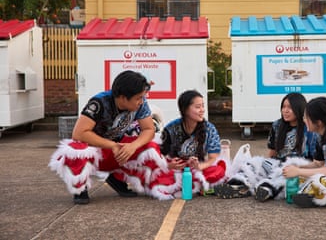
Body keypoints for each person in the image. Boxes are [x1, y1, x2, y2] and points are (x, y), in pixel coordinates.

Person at [49, 70, 167, 204]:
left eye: (142, 97)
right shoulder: (99, 102)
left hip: (118, 149)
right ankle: (80, 187)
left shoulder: (141, 103)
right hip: (96, 151)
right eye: (138, 98)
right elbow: (79, 133)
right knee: (75, 148)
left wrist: (133, 146)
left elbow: (149, 129)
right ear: (123, 97)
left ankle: (118, 178)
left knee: (150, 146)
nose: (141, 101)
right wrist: (112, 145)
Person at [214, 92, 322, 202]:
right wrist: (263, 168)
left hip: (299, 166)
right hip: (278, 162)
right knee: (253, 164)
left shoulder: (309, 129)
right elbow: (272, 153)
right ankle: (237, 186)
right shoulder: (277, 125)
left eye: (290, 107)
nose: (285, 110)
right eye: (283, 107)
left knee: (283, 174)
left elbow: (316, 161)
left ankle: (266, 189)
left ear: (299, 109)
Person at [148, 89, 226, 200]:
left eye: (203, 106)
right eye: (198, 107)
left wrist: (199, 166)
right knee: (155, 176)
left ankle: (189, 185)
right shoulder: (171, 128)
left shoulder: (209, 129)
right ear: (185, 109)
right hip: (175, 171)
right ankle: (197, 187)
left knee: (219, 170)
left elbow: (213, 158)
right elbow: (159, 156)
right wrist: (169, 165)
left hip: (199, 170)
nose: (202, 110)